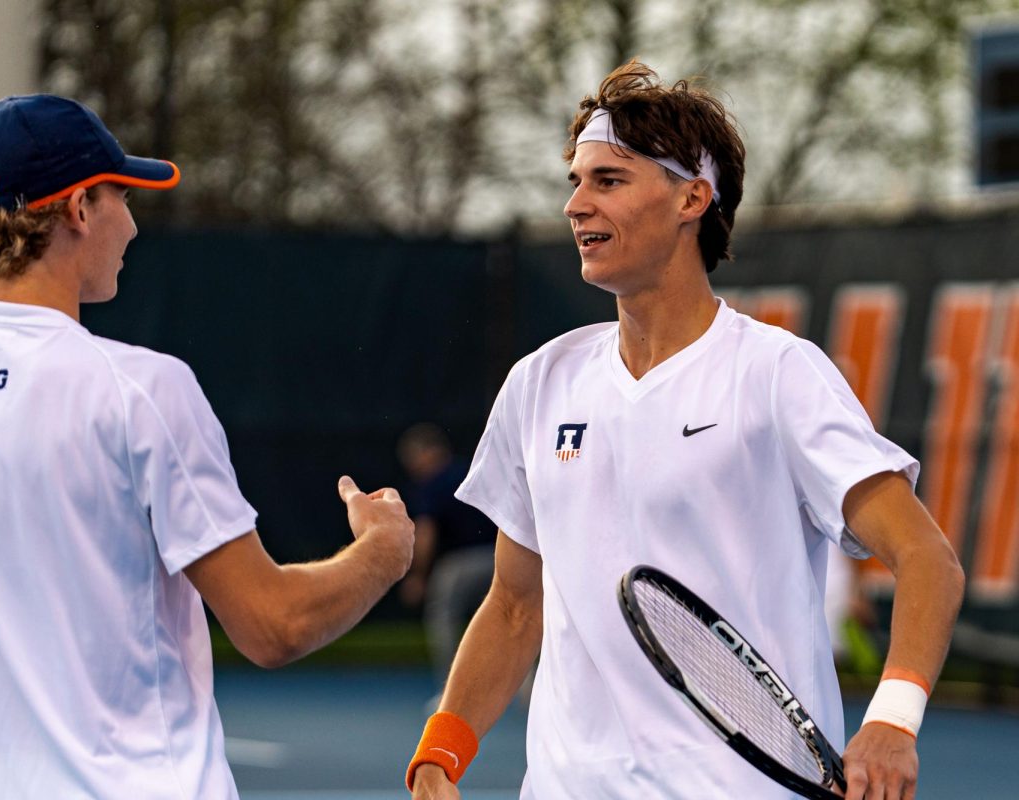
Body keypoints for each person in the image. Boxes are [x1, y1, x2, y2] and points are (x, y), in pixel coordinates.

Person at [0, 94, 414, 799]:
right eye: (121, 198)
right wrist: (383, 551)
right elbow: (273, 626)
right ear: (77, 209)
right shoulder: (143, 391)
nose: (131, 225)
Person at [406, 62, 964, 800]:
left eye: (608, 180)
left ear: (691, 198)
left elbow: (927, 556)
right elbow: (515, 606)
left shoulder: (778, 374)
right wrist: (440, 754)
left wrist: (893, 719)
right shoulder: (539, 384)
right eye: (575, 181)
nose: (576, 204)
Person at [396, 423, 496, 692]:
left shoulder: (433, 483)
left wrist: (417, 576)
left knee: (442, 616)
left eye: (414, 458)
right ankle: (528, 689)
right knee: (514, 614)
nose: (413, 466)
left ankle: (452, 691)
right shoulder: (473, 470)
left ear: (429, 452)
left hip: (462, 563)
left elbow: (426, 533)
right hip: (501, 558)